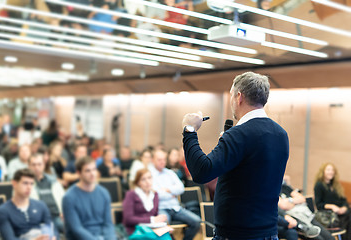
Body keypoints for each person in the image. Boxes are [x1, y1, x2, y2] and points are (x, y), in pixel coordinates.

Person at [182, 72, 289, 240]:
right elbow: (252, 173)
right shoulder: (281, 134)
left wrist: (189, 130)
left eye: (231, 95)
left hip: (237, 234)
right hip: (268, 233)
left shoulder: (239, 134)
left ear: (239, 96)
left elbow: (201, 171)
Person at [149, 149, 200, 240]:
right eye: (159, 160)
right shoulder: (149, 175)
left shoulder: (170, 173)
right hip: (160, 208)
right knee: (163, 227)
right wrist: (172, 192)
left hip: (175, 208)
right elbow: (155, 195)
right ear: (153, 160)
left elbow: (181, 188)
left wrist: (167, 190)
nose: (162, 162)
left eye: (164, 159)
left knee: (196, 221)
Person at [62, 156, 116, 240]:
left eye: (94, 169)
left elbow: (108, 224)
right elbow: (76, 229)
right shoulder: (69, 197)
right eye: (87, 170)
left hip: (102, 236)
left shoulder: (104, 193)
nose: (92, 174)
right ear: (78, 173)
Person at [0, 168, 55, 240]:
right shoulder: (3, 211)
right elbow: (9, 238)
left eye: (31, 183)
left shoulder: (41, 205)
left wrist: (53, 237)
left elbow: (51, 228)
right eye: (25, 183)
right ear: (14, 183)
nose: (29, 187)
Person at [28, 153, 65, 238]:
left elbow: (64, 198)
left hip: (58, 216)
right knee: (52, 234)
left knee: (76, 229)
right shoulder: (27, 183)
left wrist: (65, 212)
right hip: (40, 219)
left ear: (44, 165)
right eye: (33, 165)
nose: (36, 167)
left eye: (39, 164)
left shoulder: (54, 181)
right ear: (29, 166)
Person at [123, 168, 168, 235]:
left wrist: (162, 223)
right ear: (138, 182)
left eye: (149, 178)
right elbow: (128, 219)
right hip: (136, 230)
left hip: (151, 229)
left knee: (167, 234)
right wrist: (152, 220)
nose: (147, 182)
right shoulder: (131, 194)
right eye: (143, 179)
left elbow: (155, 215)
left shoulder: (155, 195)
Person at [314, 163, 351, 240]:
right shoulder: (319, 185)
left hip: (341, 212)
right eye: (328, 170)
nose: (330, 172)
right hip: (329, 214)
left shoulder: (335, 185)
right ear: (323, 172)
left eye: (332, 170)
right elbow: (318, 205)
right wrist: (332, 206)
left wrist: (344, 208)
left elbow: (343, 200)